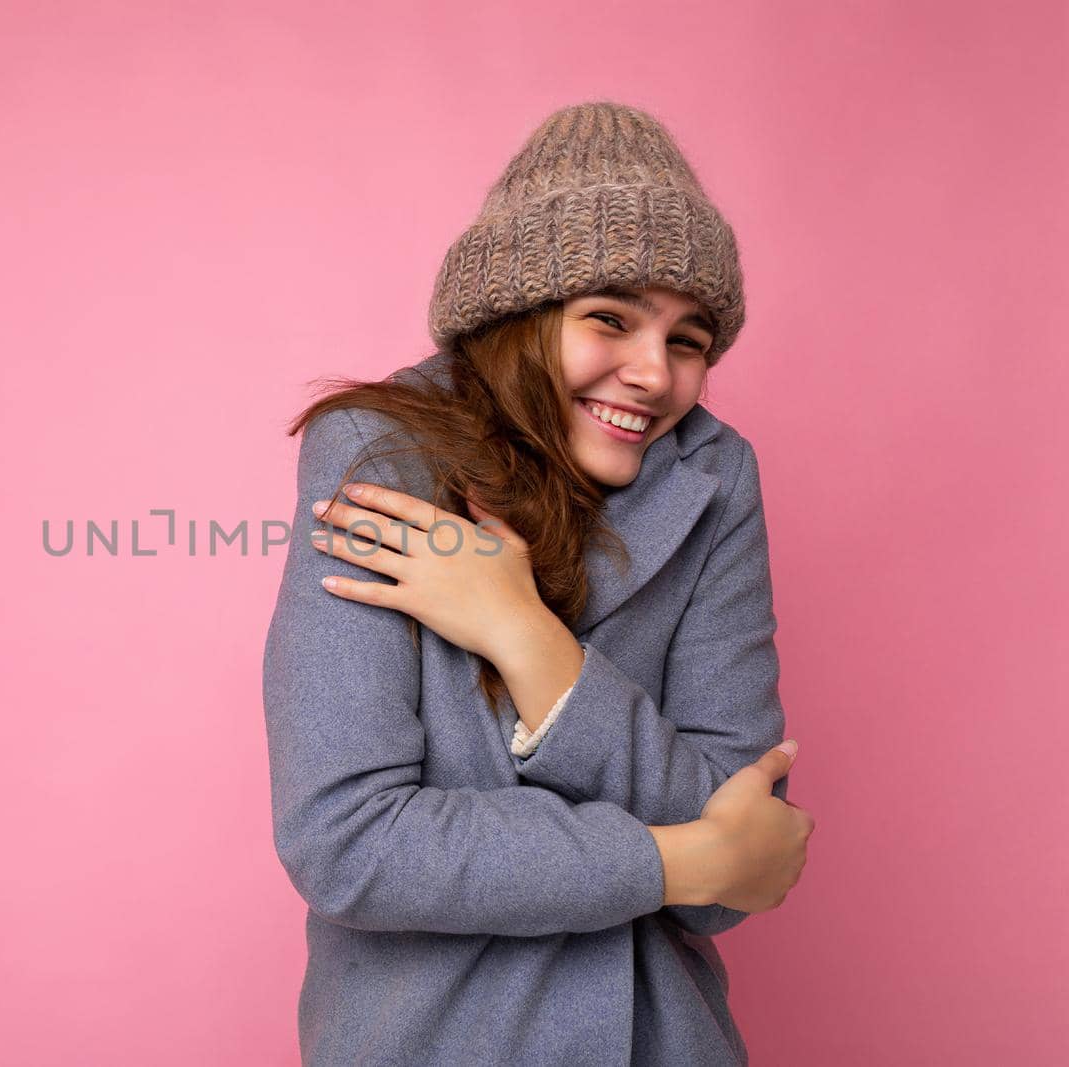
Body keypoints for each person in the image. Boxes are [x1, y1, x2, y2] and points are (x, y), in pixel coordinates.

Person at [261, 101, 817, 1066]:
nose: (653, 373)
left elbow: (745, 866)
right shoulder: (379, 453)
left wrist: (526, 637)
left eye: (689, 339)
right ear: (513, 315)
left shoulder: (717, 478)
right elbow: (350, 844)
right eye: (611, 318)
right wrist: (674, 856)